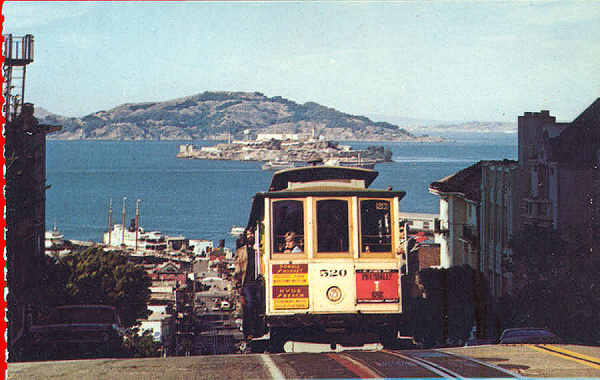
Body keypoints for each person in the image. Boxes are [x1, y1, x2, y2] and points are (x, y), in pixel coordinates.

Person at [234, 229, 258, 340]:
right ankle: (248, 332)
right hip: (247, 283)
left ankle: (256, 331)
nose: (250, 236)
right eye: (248, 234)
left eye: (252, 234)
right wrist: (239, 287)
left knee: (257, 308)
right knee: (249, 307)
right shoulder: (241, 251)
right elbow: (237, 271)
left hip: (258, 282)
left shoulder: (258, 249)